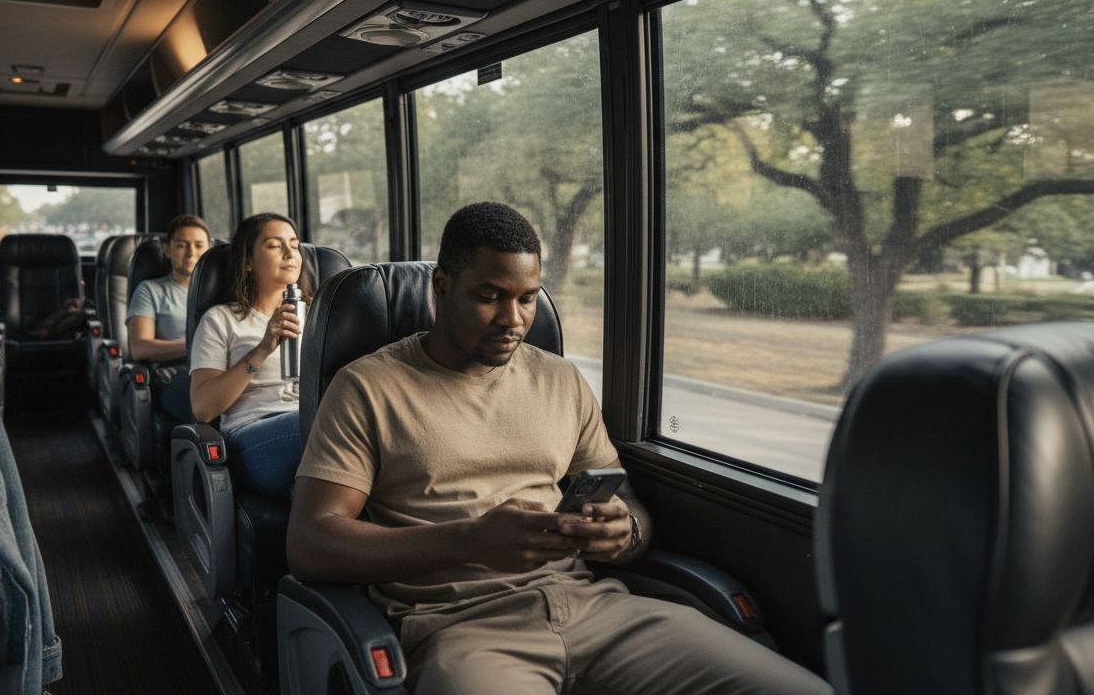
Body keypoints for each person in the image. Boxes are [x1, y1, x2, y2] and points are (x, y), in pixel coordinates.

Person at [288, 203, 831, 695]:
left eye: (527, 299)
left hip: (596, 610)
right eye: (489, 297)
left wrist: (623, 533)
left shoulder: (561, 380)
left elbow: (628, 506)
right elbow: (312, 543)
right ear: (442, 285)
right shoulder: (367, 386)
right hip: (460, 628)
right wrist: (470, 541)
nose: (514, 319)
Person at [189, 213, 311, 498]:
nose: (289, 253)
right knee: (320, 425)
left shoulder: (320, 314)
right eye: (273, 245)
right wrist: (263, 348)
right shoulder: (221, 319)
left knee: (311, 489)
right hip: (252, 434)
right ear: (247, 261)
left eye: (294, 244)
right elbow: (203, 407)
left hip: (310, 422)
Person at [126, 214, 212, 424]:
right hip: (173, 373)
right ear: (167, 249)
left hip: (219, 368)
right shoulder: (150, 290)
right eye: (182, 245)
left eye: (199, 245)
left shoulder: (221, 291)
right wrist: (196, 346)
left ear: (209, 249)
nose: (192, 253)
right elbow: (139, 348)